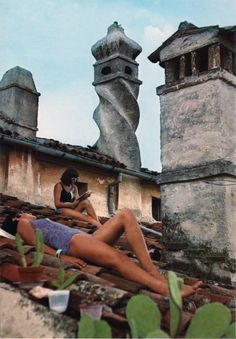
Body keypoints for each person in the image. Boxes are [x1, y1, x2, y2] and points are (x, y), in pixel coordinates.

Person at [2, 210, 202, 298]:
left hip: (82, 237)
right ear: (18, 216)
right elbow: (37, 246)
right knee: (118, 258)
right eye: (27, 215)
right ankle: (162, 287)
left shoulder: (31, 221)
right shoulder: (23, 223)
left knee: (126, 215)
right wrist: (62, 256)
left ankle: (152, 270)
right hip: (72, 242)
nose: (31, 214)